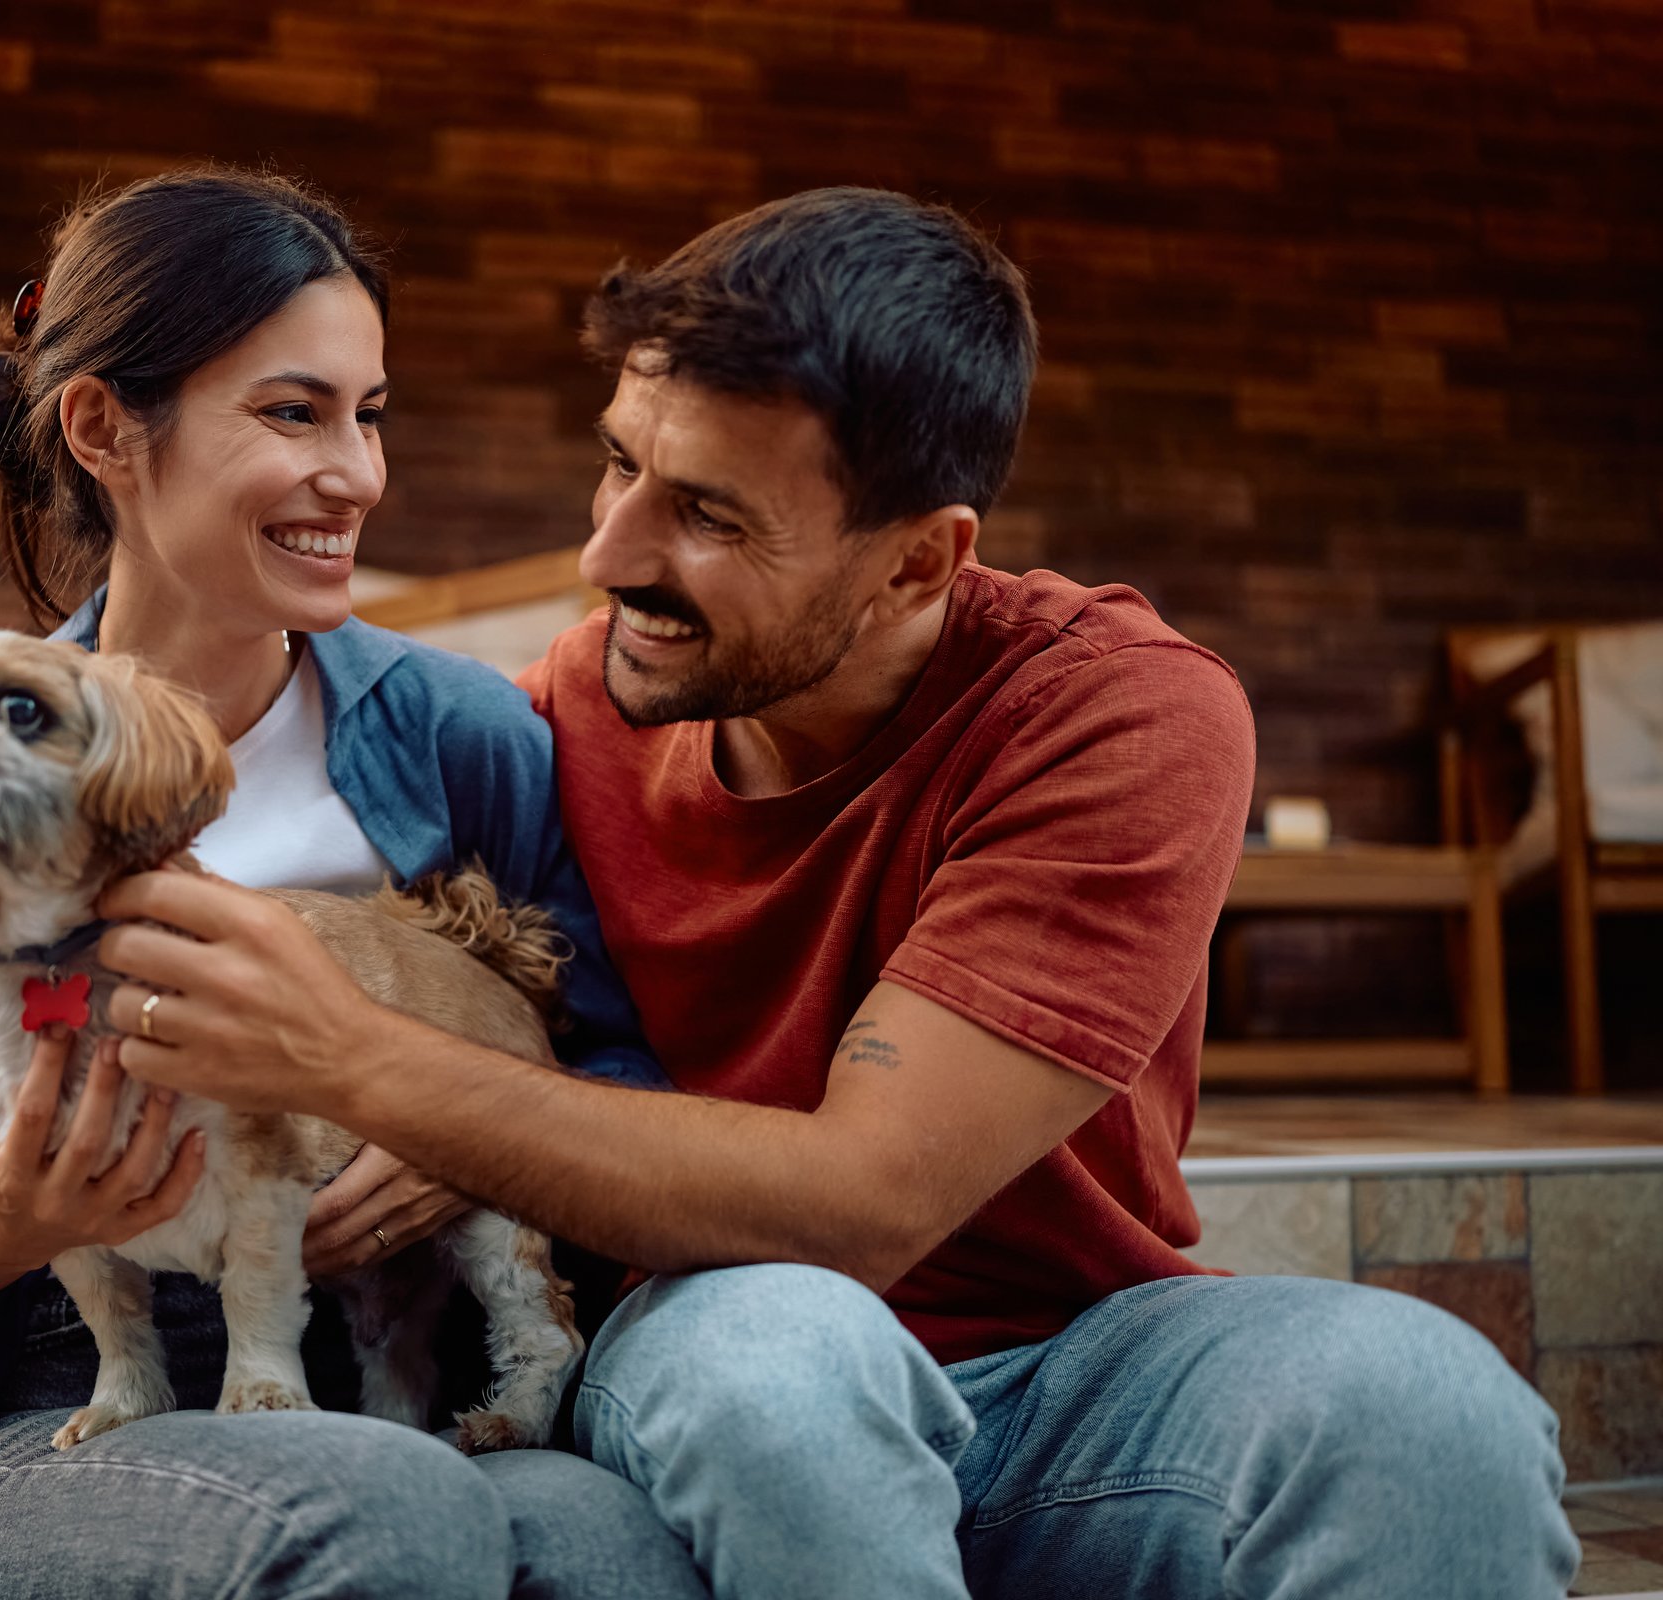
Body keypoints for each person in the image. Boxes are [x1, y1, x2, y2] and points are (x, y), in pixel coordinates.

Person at [92, 187, 1582, 1598]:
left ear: (921, 566)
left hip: (1076, 1366)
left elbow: (864, 1205)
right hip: (712, 1341)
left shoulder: (1113, 713)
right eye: (620, 462)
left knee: (1432, 1403)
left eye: (712, 517)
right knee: (777, 1364)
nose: (610, 555)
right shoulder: (551, 724)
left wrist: (369, 1066)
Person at [0, 167, 705, 1600]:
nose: (358, 474)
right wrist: (12, 1227)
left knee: (614, 1549)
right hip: (54, 1394)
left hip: (404, 1352)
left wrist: (466, 1137)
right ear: (103, 430)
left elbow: (619, 1070)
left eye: (369, 414)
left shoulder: (464, 735)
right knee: (387, 1518)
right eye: (293, 412)